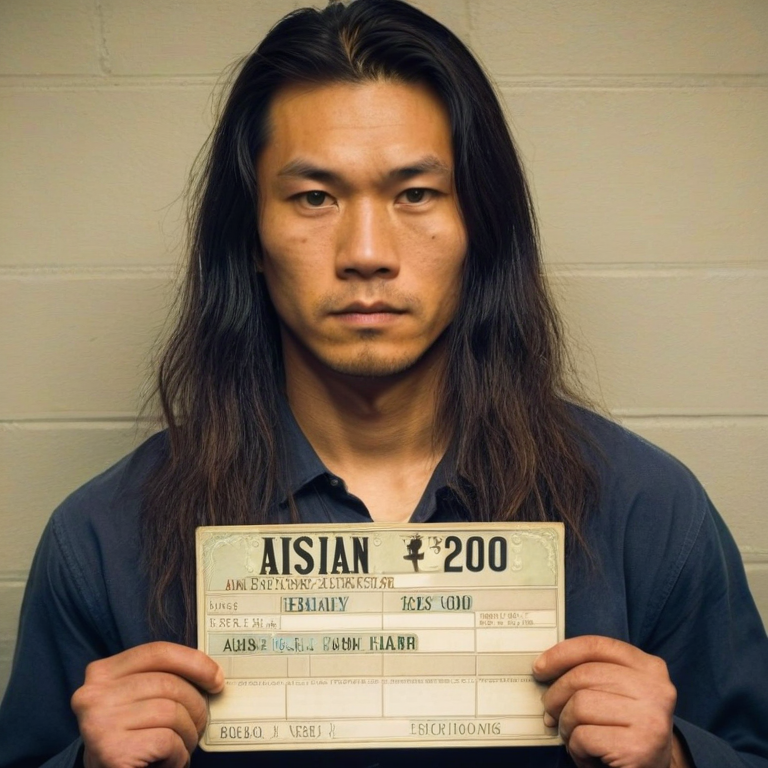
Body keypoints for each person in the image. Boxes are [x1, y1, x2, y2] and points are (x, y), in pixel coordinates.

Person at [1, 1, 766, 767]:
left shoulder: (648, 512)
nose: (367, 253)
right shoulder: (102, 538)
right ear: (252, 241)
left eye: (416, 194)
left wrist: (675, 758)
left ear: (482, 228)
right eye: (314, 198)